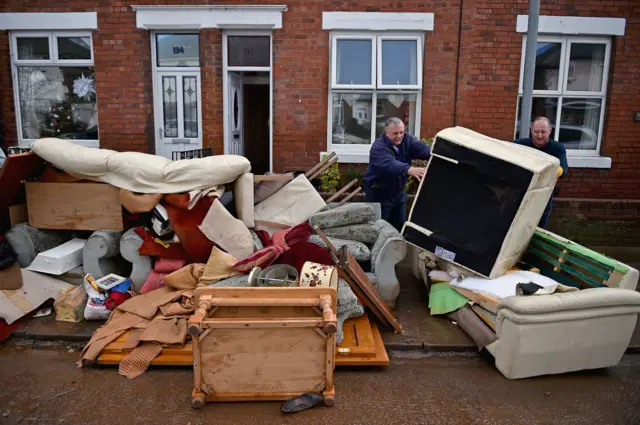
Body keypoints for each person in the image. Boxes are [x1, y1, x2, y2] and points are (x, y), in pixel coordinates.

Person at [363, 117, 431, 231]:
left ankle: (396, 248)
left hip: (398, 193)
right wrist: (409, 169)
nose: (399, 136)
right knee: (379, 229)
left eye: (401, 132)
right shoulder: (378, 147)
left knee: (400, 226)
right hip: (379, 193)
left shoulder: (407, 140)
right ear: (386, 132)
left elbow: (423, 149)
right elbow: (390, 164)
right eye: (395, 133)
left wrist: (437, 153)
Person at [514, 116, 568, 229]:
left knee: (538, 228)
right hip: (520, 194)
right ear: (531, 130)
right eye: (536, 132)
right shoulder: (520, 145)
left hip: (543, 196)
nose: (539, 136)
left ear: (550, 131)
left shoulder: (557, 148)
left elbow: (564, 170)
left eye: (543, 132)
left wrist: (553, 169)